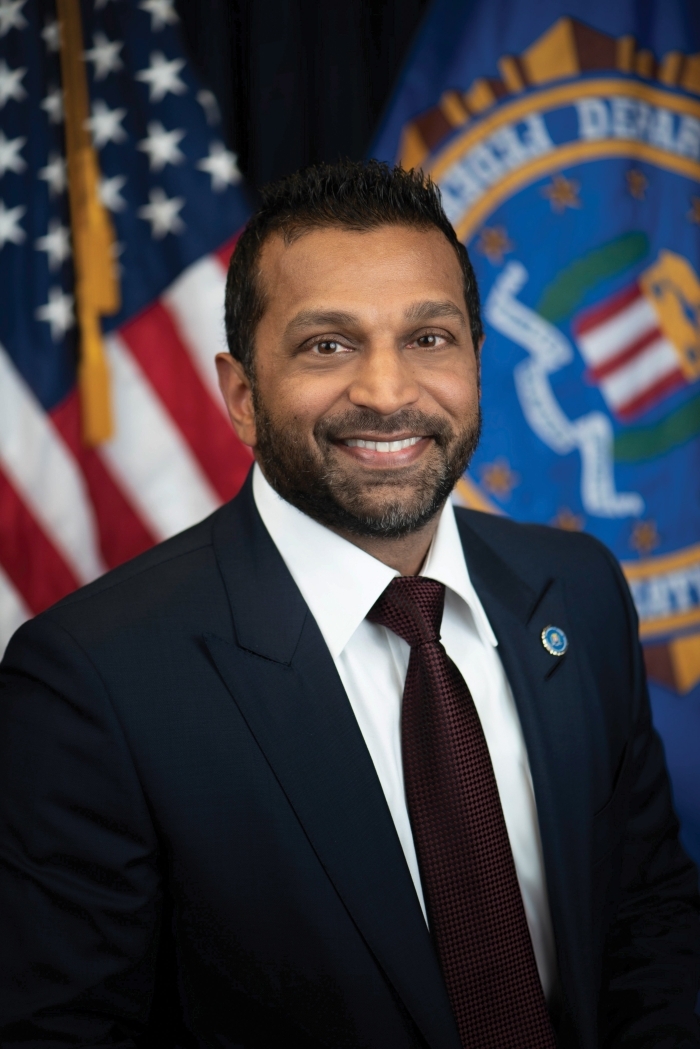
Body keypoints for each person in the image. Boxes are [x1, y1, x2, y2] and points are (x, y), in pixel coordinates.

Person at [1, 160, 698, 1049]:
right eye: (327, 344)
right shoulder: (92, 681)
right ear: (242, 394)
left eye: (429, 338)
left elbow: (647, 919)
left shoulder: (583, 591)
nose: (388, 391)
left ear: (477, 364)